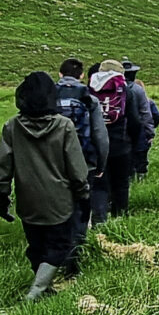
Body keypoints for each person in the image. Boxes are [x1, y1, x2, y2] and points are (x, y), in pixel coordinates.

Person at [0, 71, 93, 301]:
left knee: (36, 246)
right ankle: (36, 292)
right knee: (59, 246)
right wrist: (83, 193)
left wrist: (2, 195)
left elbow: (1, 166)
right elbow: (77, 168)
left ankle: (43, 288)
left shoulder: (12, 126)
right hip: (60, 201)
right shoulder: (64, 126)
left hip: (28, 201)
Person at [52, 58, 109, 253]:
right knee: (82, 204)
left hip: (53, 161)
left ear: (60, 74)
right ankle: (77, 248)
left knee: (57, 202)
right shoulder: (89, 98)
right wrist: (100, 164)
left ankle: (56, 246)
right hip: (85, 160)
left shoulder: (49, 96)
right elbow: (100, 136)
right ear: (82, 76)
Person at [88, 59, 143, 219]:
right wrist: (132, 141)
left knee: (99, 184)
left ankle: (99, 219)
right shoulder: (126, 90)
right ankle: (120, 218)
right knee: (121, 183)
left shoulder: (89, 89)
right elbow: (134, 120)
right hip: (121, 144)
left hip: (96, 145)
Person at [121, 62, 158, 180]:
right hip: (138, 131)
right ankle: (140, 182)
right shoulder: (138, 90)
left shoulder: (116, 89)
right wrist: (150, 132)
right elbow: (146, 113)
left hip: (119, 131)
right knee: (140, 159)